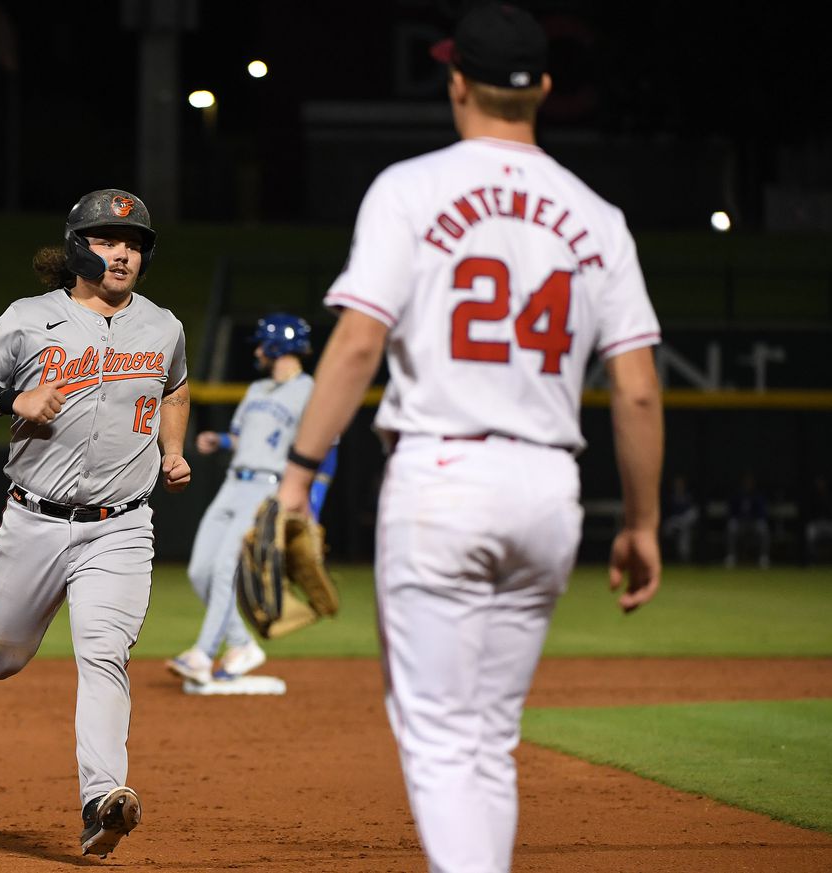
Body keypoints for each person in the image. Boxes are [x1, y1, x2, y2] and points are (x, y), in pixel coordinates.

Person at [274, 4, 664, 872]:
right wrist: (640, 523)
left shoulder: (410, 189)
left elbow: (360, 340)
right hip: (549, 492)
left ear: (456, 82)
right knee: (488, 736)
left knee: (443, 740)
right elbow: (635, 391)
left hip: (441, 478)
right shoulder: (597, 216)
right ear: (546, 90)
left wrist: (298, 472)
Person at [0, 188, 191, 859]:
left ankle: (102, 799)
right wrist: (9, 397)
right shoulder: (30, 319)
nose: (124, 254)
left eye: (135, 243)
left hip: (123, 526)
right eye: (111, 240)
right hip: (37, 521)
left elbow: (175, 385)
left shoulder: (163, 327)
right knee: (5, 657)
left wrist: (172, 448)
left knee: (104, 653)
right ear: (80, 245)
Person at [167, 313, 337, 685]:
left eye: (263, 343)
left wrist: (314, 502)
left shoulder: (311, 390)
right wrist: (221, 441)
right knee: (200, 571)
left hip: (269, 488)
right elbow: (246, 438)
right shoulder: (257, 390)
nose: (258, 350)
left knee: (228, 565)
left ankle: (203, 653)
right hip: (233, 483)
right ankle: (243, 645)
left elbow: (328, 448)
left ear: (279, 345)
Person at [724, 471, 770, 569]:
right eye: (746, 482)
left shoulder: (757, 495)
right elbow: (731, 511)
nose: (748, 484)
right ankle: (731, 556)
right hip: (740, 522)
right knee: (732, 526)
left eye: (750, 482)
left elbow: (762, 513)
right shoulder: (737, 494)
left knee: (763, 527)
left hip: (754, 523)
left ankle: (763, 558)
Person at [661, 474, 700, 562]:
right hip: (673, 522)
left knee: (685, 531)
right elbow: (667, 513)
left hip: (685, 523)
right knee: (668, 529)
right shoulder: (670, 497)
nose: (679, 485)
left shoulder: (688, 496)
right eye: (677, 484)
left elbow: (693, 513)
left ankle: (684, 558)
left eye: (681, 484)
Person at [803, 474, 832, 563]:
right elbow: (808, 512)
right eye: (818, 483)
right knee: (809, 534)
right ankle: (812, 559)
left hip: (828, 523)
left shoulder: (829, 496)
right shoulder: (812, 497)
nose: (820, 484)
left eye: (822, 483)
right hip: (816, 523)